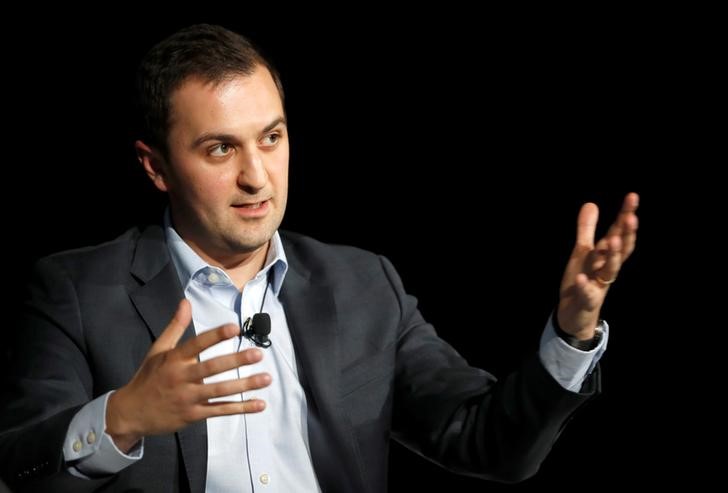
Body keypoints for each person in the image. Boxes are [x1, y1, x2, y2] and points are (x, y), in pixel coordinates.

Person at [0, 24, 639, 492]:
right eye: (221, 150)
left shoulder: (363, 284)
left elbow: (491, 444)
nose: (258, 177)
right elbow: (17, 471)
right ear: (155, 166)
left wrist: (573, 334)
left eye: (271, 138)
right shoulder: (76, 290)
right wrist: (124, 418)